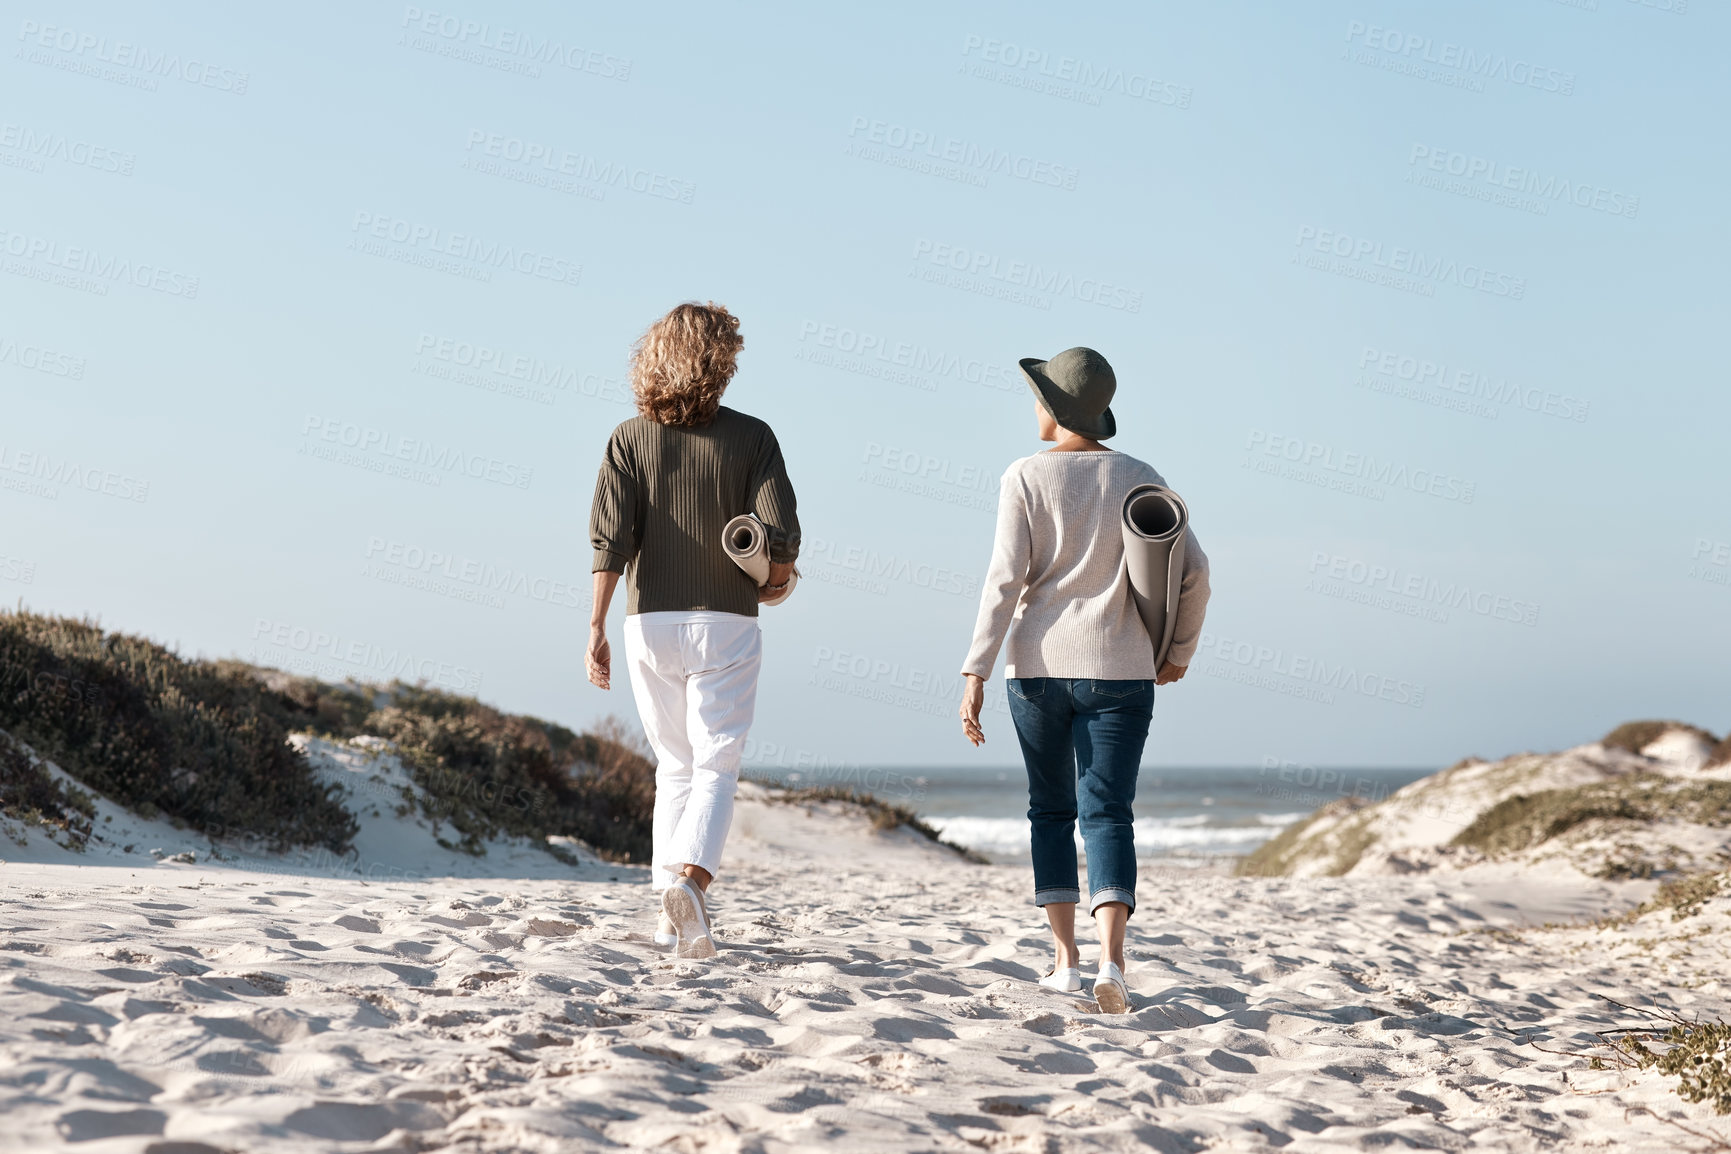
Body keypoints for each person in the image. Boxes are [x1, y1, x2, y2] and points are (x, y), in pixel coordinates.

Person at [958, 347, 1210, 1013]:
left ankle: (1064, 962)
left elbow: (1003, 579)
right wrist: (1177, 651)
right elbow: (1193, 572)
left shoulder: (1022, 477)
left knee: (1049, 811)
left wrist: (974, 669)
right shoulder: (1139, 475)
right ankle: (1112, 962)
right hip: (1122, 668)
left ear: (1053, 409)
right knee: (1107, 814)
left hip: (1036, 669)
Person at [586, 301, 799, 959]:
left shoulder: (627, 438)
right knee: (716, 763)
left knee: (673, 768)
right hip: (724, 622)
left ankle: (667, 920)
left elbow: (610, 540)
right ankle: (691, 883)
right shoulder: (753, 437)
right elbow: (779, 533)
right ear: (721, 363)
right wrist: (778, 574)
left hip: (645, 621)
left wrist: (594, 625)